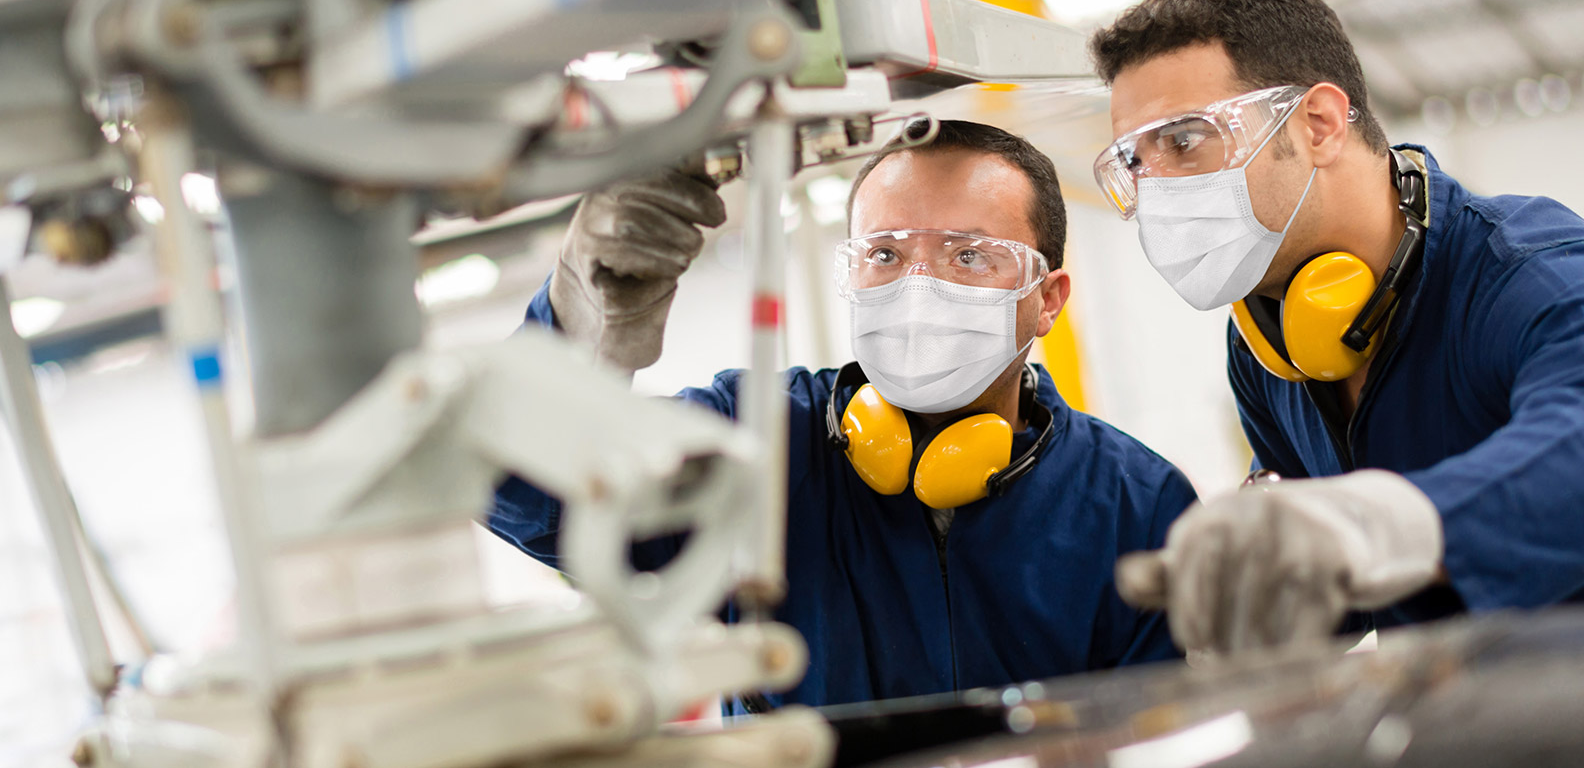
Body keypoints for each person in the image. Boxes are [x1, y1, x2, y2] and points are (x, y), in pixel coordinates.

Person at [1088, 0, 1584, 656]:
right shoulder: (1264, 343)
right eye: (1133, 162)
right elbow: (1335, 583)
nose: (1153, 189)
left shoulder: (1538, 275)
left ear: (1318, 123)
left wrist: (1375, 527)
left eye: (1183, 140)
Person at [487, 119, 1197, 707]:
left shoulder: (1134, 504)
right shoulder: (757, 438)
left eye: (970, 255)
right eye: (883, 253)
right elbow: (518, 490)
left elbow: (1170, 731)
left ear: (1047, 298)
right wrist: (577, 319)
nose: (917, 286)